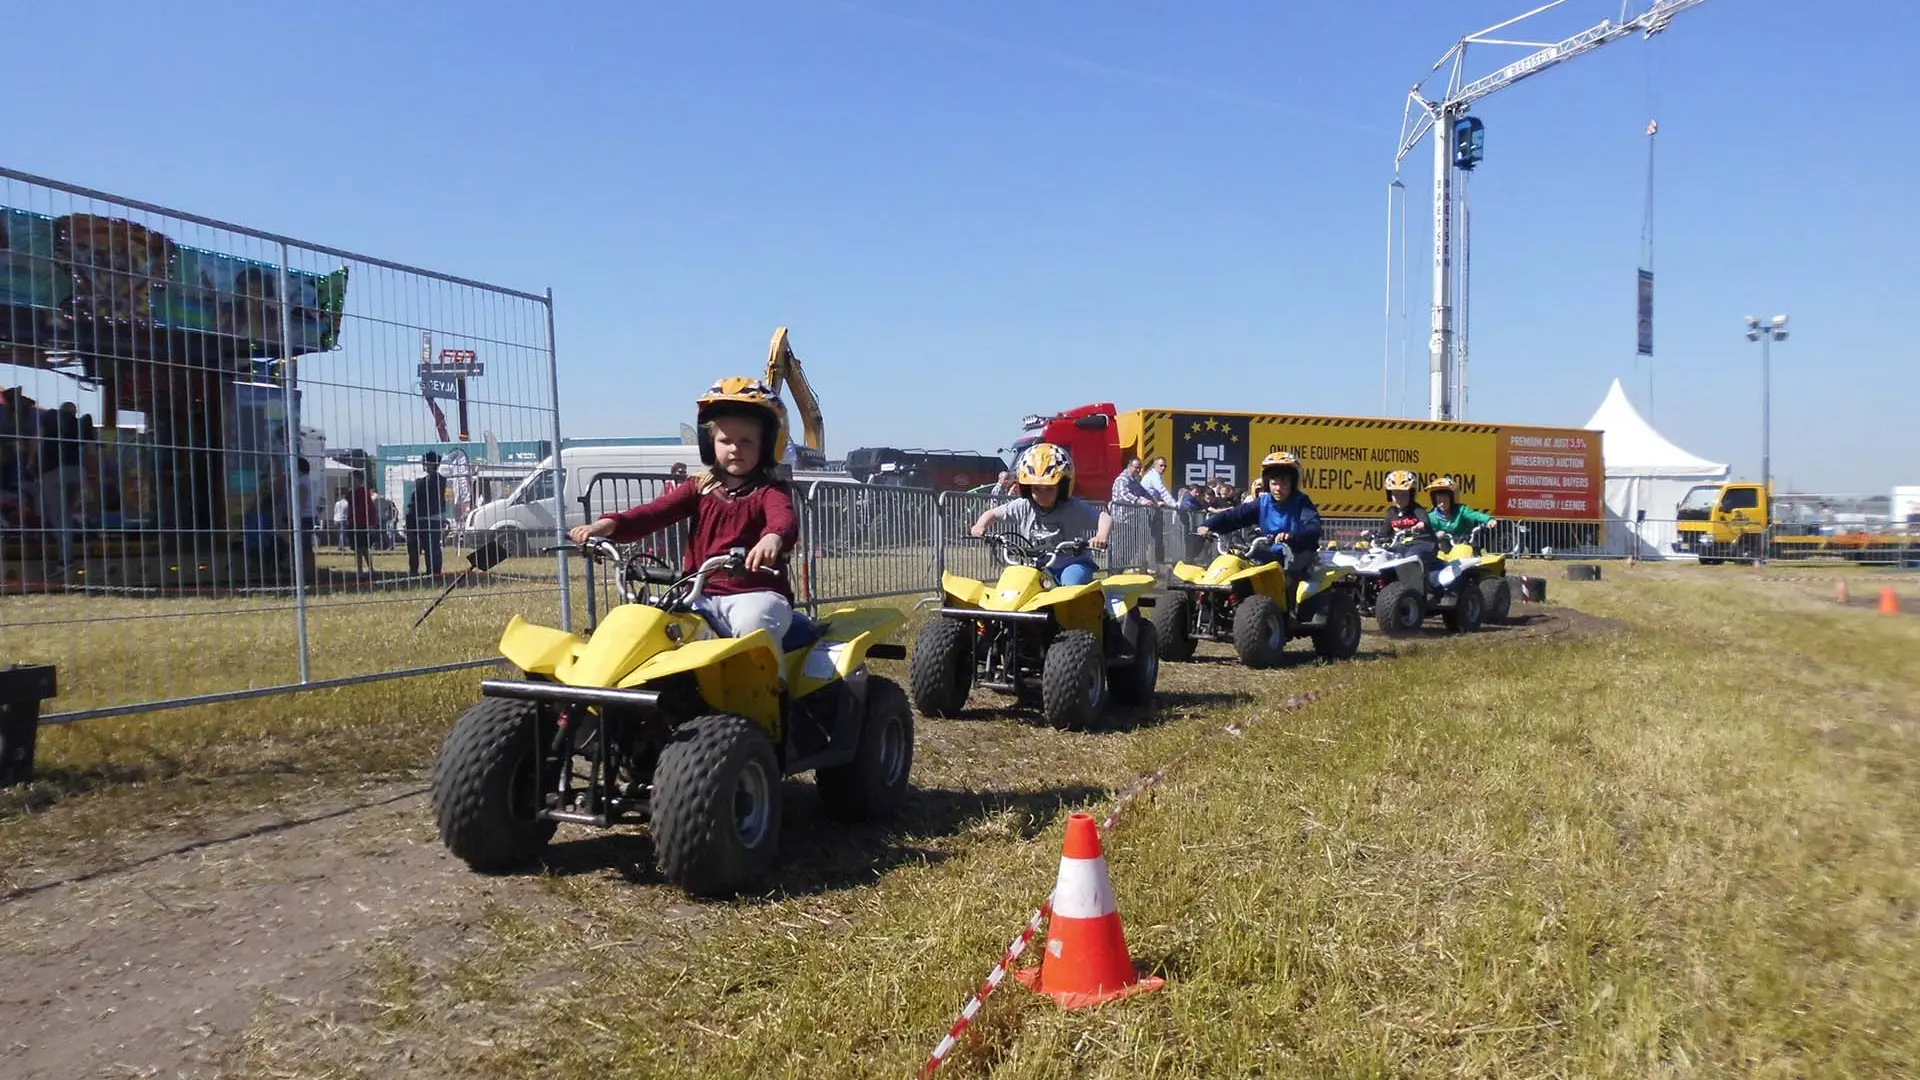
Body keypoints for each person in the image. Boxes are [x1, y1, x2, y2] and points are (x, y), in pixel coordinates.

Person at [570, 376, 799, 658]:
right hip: (699, 595)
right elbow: (653, 513)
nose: (735, 448)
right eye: (725, 440)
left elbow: (784, 519)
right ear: (709, 443)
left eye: (746, 441)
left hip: (757, 594)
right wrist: (609, 524)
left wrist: (772, 537)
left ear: (766, 446)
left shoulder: (770, 490)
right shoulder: (699, 488)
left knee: (754, 625)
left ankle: (773, 697)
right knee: (658, 629)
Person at [968, 442, 1111, 586]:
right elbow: (992, 514)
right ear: (1027, 488)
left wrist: (1101, 536)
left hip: (1072, 563)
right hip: (1038, 565)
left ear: (1062, 487)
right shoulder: (1023, 506)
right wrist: (980, 526)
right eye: (1036, 489)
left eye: (1049, 489)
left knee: (1070, 584)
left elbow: (1104, 517)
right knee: (1015, 584)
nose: (1042, 494)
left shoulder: (1072, 507)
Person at [1194, 451, 1322, 608]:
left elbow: (1313, 527)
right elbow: (1235, 515)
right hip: (1270, 550)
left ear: (1293, 483)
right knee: (1242, 565)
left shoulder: (1302, 502)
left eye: (1284, 483)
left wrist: (1293, 536)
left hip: (1298, 550)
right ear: (1268, 483)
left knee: (1290, 576)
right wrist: (1209, 525)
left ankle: (1288, 613)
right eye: (1274, 483)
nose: (1278, 488)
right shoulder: (1263, 502)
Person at [406, 451, 448, 576]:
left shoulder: (426, 482)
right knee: (433, 547)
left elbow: (416, 500)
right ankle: (434, 571)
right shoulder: (440, 480)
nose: (423, 464)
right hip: (434, 517)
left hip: (425, 518)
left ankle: (431, 571)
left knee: (428, 547)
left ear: (431, 463)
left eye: (425, 462)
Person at [1424, 475, 1496, 548]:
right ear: (1434, 501)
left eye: (1445, 501)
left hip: (1465, 546)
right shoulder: (1431, 517)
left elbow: (1475, 515)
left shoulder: (1461, 510)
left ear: (1452, 500)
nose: (1442, 504)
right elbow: (1425, 528)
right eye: (1439, 501)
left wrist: (1489, 520)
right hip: (1444, 551)